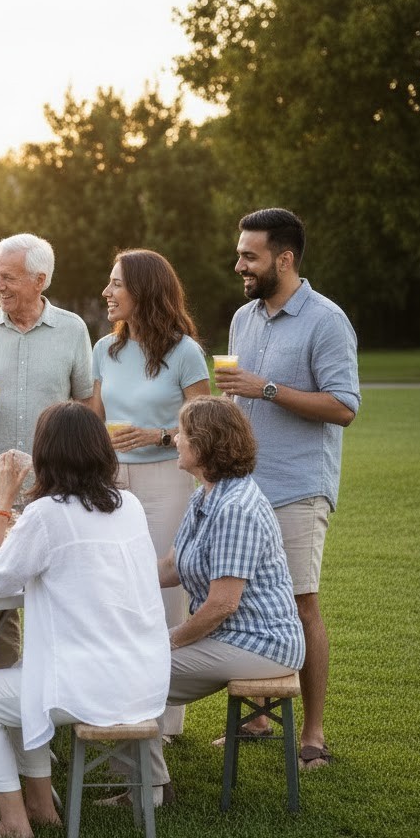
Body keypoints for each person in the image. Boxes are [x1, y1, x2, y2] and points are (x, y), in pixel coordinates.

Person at [0, 402, 170, 838]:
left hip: (87, 686)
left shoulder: (48, 514)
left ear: (45, 453)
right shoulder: (127, 504)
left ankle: (14, 825)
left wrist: (1, 501)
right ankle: (39, 805)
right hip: (144, 677)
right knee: (22, 678)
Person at [215, 208, 359, 769]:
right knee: (247, 603)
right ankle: (257, 714)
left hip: (299, 485)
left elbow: (344, 407)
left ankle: (313, 736)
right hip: (245, 486)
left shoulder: (326, 321)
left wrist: (265, 388)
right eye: (240, 253)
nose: (239, 264)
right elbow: (238, 397)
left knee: (301, 604)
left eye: (250, 255)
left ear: (285, 258)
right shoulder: (243, 318)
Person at [113, 395, 305, 798]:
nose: (176, 440)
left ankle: (146, 788)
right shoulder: (206, 494)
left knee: (133, 671)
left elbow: (222, 604)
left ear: (203, 445)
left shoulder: (236, 507)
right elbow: (172, 565)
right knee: (130, 664)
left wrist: (170, 639)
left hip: (261, 643)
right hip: (233, 635)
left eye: (183, 433)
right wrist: (116, 580)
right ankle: (142, 781)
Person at [0, 233, 95, 670]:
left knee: (61, 590)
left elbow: (87, 404)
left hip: (56, 487)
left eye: (9, 277)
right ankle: (5, 692)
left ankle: (60, 683)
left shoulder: (73, 329)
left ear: (39, 280)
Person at [92, 248, 210, 742]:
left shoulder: (184, 352)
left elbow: (204, 425)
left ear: (144, 290)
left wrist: (158, 436)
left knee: (162, 589)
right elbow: (94, 416)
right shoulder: (105, 349)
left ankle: (164, 719)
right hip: (113, 481)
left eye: (117, 283)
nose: (107, 292)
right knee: (113, 587)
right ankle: (116, 700)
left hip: (167, 477)